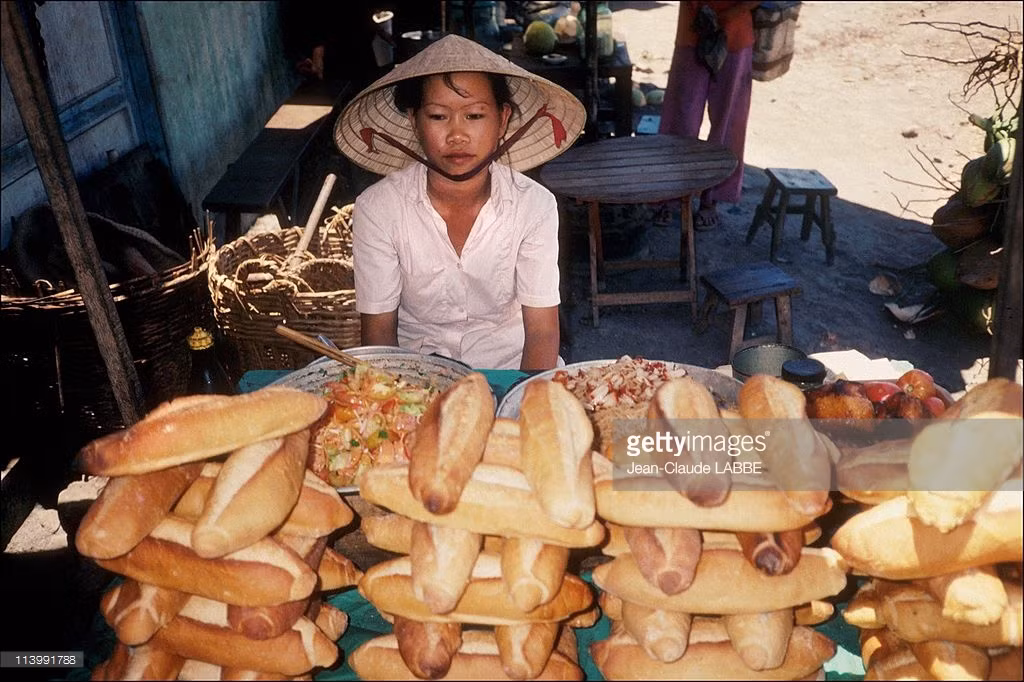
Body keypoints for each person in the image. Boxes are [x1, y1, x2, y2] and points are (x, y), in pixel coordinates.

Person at [333, 35, 586, 370]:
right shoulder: (379, 209)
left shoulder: (534, 206)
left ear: (503, 119)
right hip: (415, 375)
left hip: (512, 370)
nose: (457, 135)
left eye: (475, 116)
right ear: (414, 121)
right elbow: (379, 332)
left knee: (653, 425)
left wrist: (522, 399)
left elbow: (541, 331)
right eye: (438, 116)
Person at [659, 1, 761, 230]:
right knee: (681, 119)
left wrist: (730, 13)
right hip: (693, 28)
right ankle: (671, 194)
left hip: (735, 34)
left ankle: (711, 198)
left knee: (728, 121)